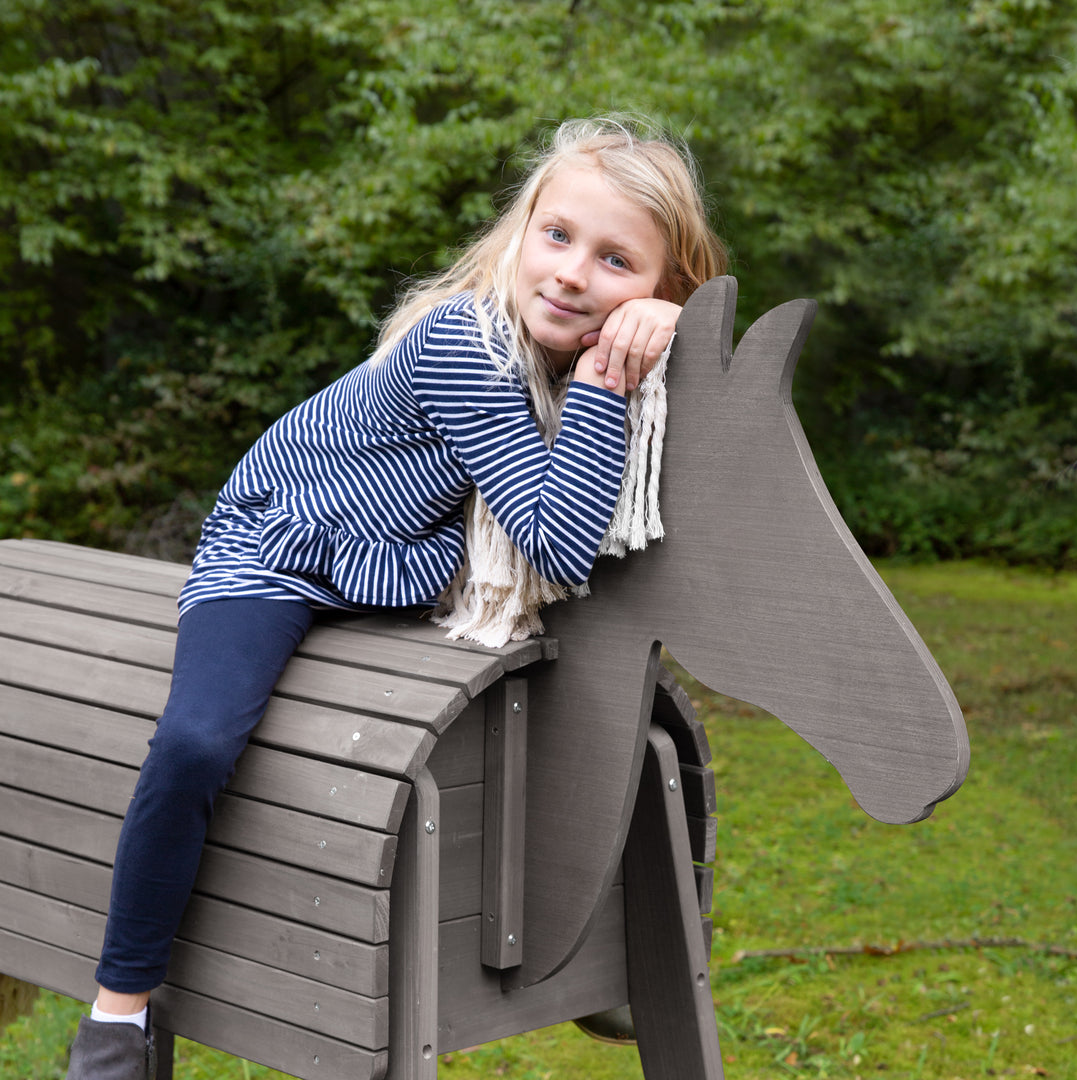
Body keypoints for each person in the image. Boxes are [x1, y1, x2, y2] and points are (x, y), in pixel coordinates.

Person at [65, 114, 728, 1080]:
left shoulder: (578, 349)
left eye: (616, 262)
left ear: (656, 288)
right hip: (278, 545)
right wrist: (605, 373)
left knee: (589, 694)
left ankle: (621, 945)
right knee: (198, 740)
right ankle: (115, 1018)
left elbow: (699, 410)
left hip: (396, 571)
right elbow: (554, 544)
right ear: (521, 229)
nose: (573, 272)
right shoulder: (468, 342)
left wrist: (680, 329)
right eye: (557, 235)